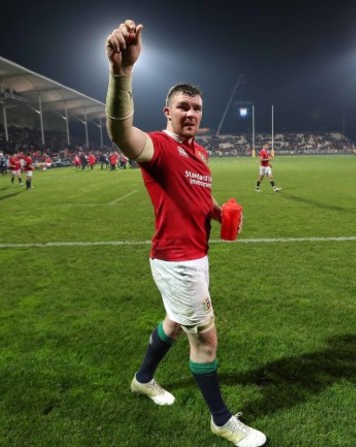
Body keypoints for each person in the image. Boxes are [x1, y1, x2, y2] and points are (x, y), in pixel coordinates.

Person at [105, 19, 266, 447]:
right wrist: (122, 74)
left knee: (175, 324)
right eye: (183, 107)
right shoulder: (159, 146)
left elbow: (199, 199)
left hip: (194, 253)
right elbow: (122, 134)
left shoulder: (200, 152)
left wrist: (218, 214)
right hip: (177, 260)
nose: (191, 114)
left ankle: (143, 379)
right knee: (206, 340)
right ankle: (221, 420)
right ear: (168, 112)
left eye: (196, 108)